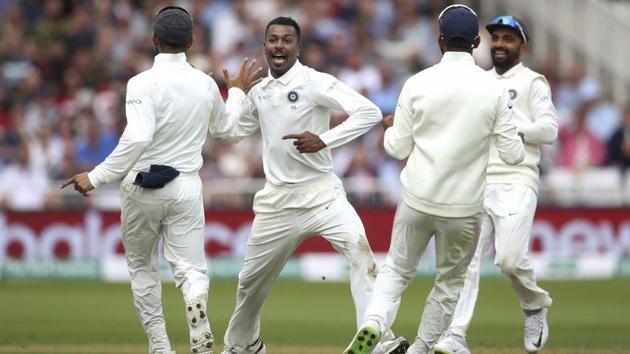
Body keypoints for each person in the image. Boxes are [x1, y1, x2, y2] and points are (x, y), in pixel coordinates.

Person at [61, 6, 260, 354]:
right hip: (185, 185)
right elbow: (227, 130)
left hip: (142, 185)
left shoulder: (141, 83)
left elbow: (138, 138)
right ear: (191, 40)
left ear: (153, 39)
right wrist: (238, 92)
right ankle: (195, 305)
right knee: (191, 270)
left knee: (142, 268)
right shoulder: (205, 83)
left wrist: (96, 177)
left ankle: (160, 347)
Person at [216, 16, 408, 354]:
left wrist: (325, 140)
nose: (279, 45)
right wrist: (235, 93)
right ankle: (245, 344)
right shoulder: (258, 92)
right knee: (249, 283)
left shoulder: (314, 82)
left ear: (298, 47)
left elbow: (369, 112)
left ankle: (379, 341)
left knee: (359, 251)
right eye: (272, 39)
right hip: (277, 202)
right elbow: (229, 132)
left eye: (286, 40)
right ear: (264, 46)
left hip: (322, 194)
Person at [344, 5, 525, 354]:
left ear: (439, 39)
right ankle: (422, 348)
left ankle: (374, 322)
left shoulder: (417, 83)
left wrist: (390, 130)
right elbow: (514, 155)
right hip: (463, 208)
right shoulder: (493, 90)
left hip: (417, 198)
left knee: (396, 271)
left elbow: (397, 148)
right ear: (476, 42)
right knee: (450, 282)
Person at [434, 15, 557, 354]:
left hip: (517, 179)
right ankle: (455, 334)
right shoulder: (478, 81)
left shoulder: (534, 82)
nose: (500, 44)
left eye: (508, 39)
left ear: (523, 46)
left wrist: (511, 128)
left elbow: (549, 130)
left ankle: (534, 303)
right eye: (496, 38)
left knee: (509, 260)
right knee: (467, 262)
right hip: (477, 180)